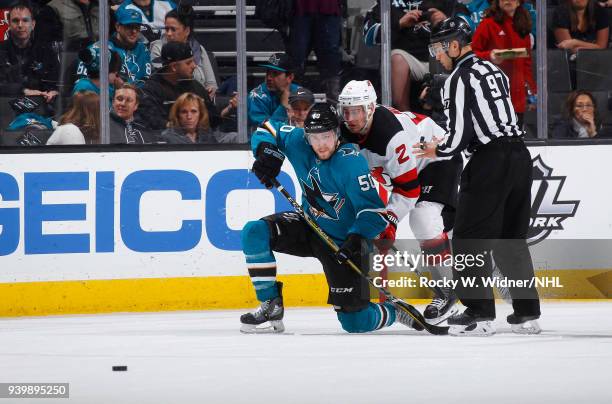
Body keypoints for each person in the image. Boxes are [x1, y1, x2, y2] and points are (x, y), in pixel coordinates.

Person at [240, 103, 424, 334]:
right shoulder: (299, 141)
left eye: (326, 136)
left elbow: (375, 213)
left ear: (337, 133)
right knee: (254, 232)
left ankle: (395, 311)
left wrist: (357, 237)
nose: (320, 144)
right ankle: (271, 305)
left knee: (355, 323)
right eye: (314, 138)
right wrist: (268, 153)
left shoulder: (351, 162)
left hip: (342, 244)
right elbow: (268, 128)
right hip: (309, 227)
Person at [414, 17, 541, 336]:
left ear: (455, 45)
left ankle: (478, 312)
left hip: (490, 161)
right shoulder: (492, 70)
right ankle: (527, 313)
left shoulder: (457, 78)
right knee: (510, 240)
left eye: (439, 49)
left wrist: (434, 150)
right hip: (520, 157)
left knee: (469, 237)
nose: (437, 57)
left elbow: (456, 140)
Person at [338, 80, 463, 325]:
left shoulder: (391, 137)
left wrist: (391, 222)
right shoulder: (344, 132)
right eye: (346, 111)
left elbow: (408, 190)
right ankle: (461, 258)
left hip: (435, 159)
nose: (350, 118)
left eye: (357, 111)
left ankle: (450, 291)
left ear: (371, 109)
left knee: (423, 219)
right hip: (396, 170)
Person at [363, 0, 461, 111]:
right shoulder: (387, 3)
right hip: (407, 60)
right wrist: (399, 24)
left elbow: (469, 28)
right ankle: (406, 117)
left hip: (436, 56)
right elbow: (368, 37)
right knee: (397, 58)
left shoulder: (447, 3)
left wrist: (446, 21)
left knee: (440, 49)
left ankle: (441, 114)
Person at [471, 0, 537, 126]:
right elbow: (471, 54)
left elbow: (526, 65)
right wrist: (489, 56)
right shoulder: (487, 24)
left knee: (516, 137)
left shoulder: (523, 28)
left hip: (517, 95)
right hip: (493, 93)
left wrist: (532, 91)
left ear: (518, 2)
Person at [137, 41, 225, 131]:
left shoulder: (195, 86)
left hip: (202, 138)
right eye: (188, 63)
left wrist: (228, 109)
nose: (194, 66)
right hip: (168, 141)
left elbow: (213, 118)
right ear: (174, 66)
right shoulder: (151, 89)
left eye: (193, 61)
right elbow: (152, 121)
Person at [150, 4, 218, 98]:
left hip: (199, 101)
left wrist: (210, 89)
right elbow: (161, 80)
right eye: (167, 29)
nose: (169, 34)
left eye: (173, 29)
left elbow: (211, 83)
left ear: (187, 31)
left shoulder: (198, 48)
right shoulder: (158, 47)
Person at [0, 2, 60, 108]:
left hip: (41, 105)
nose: (20, 25)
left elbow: (55, 80)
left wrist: (53, 91)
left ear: (33, 24)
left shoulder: (46, 50)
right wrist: (24, 91)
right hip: (6, 106)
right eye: (15, 20)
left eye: (25, 20)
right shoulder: (1, 50)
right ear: (8, 24)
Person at [76, 8, 152, 88]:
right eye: (129, 26)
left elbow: (147, 80)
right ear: (118, 27)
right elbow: (83, 82)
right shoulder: (99, 49)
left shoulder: (143, 49)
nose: (134, 31)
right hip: (108, 97)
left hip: (136, 97)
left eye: (137, 27)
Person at [288, 0, 343, 101]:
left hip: (327, 8)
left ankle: (333, 100)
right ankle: (293, 99)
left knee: (330, 54)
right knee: (298, 53)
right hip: (301, 9)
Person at [247, 52, 300, 127]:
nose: (269, 78)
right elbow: (264, 131)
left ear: (290, 77)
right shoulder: (256, 96)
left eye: (275, 73)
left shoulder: (300, 93)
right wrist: (283, 107)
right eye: (268, 72)